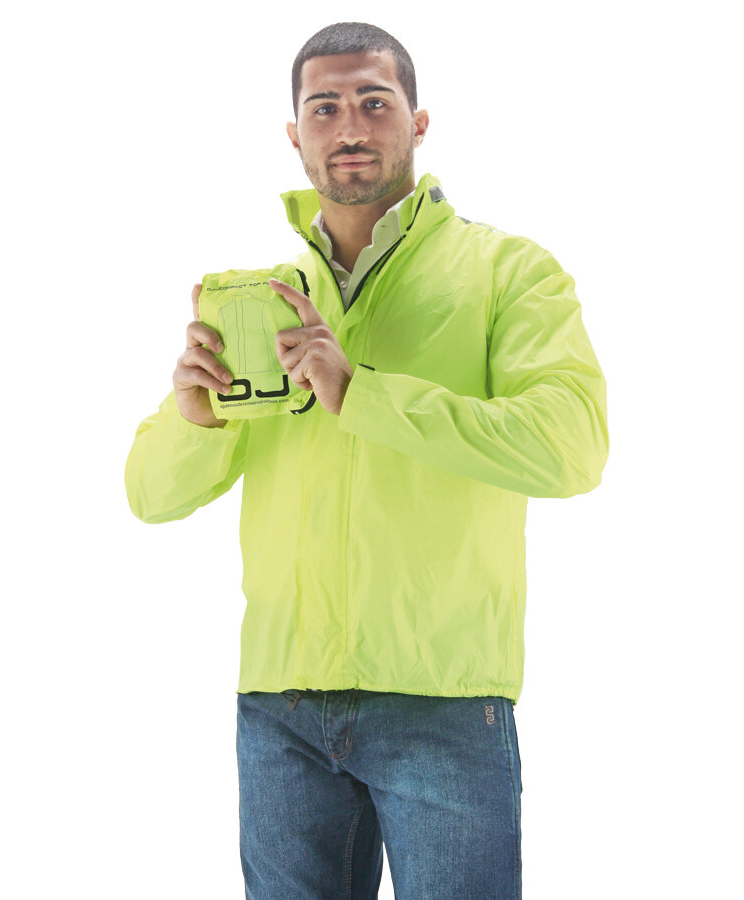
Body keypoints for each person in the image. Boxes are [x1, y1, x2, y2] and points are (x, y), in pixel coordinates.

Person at [125, 21, 608, 900]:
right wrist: (195, 418)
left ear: (419, 122)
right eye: (325, 108)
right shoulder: (264, 300)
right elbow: (149, 497)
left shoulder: (508, 272)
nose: (349, 126)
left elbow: (570, 445)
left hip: (443, 699)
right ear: (294, 134)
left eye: (374, 103)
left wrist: (364, 393)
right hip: (281, 705)